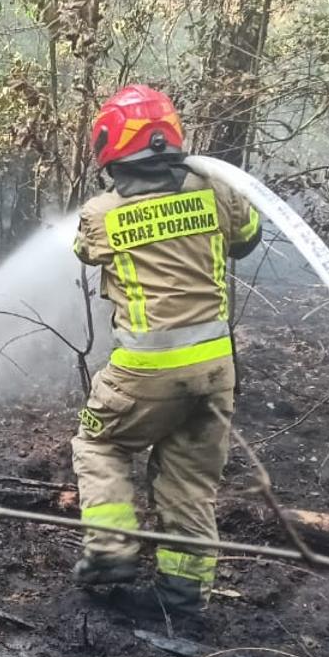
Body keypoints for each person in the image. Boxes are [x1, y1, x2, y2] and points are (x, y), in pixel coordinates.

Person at [68, 84, 262, 628]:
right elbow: (247, 237)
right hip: (214, 372)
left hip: (144, 373)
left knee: (99, 444)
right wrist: (213, 187)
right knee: (191, 482)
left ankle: (110, 551)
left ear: (109, 145)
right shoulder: (216, 190)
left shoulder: (103, 212)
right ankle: (181, 595)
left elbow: (84, 252)